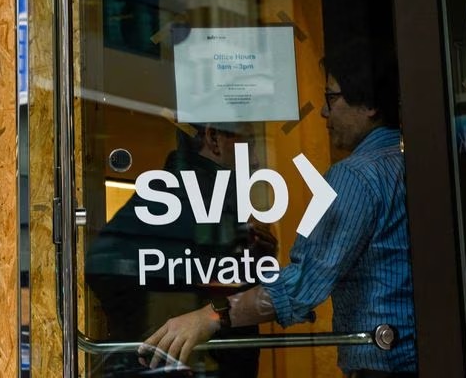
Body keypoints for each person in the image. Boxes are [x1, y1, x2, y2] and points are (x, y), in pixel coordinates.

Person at [139, 40, 418, 378]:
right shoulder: (421, 167)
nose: (324, 112)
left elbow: (301, 285)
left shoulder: (353, 177)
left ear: (370, 104)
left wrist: (209, 317)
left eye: (332, 97)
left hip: (387, 367)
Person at [85, 121, 276, 378]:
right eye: (249, 143)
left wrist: (255, 260)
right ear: (214, 138)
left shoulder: (217, 197)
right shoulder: (176, 193)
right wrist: (166, 330)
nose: (255, 159)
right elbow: (103, 264)